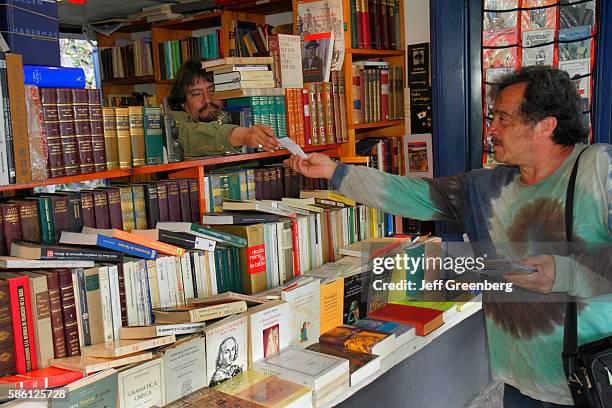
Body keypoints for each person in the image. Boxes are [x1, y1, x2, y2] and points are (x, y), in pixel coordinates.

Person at [284, 66, 612, 407]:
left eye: (503, 118)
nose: (492, 129)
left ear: (545, 125)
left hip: (592, 379)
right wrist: (335, 172)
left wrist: (566, 273)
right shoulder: (486, 187)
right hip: (520, 383)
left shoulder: (599, 169)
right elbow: (411, 195)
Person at [167, 60, 279, 156]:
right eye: (197, 94)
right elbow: (188, 136)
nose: (207, 99)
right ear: (182, 102)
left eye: (212, 90)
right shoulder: (173, 120)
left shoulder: (240, 113)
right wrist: (243, 136)